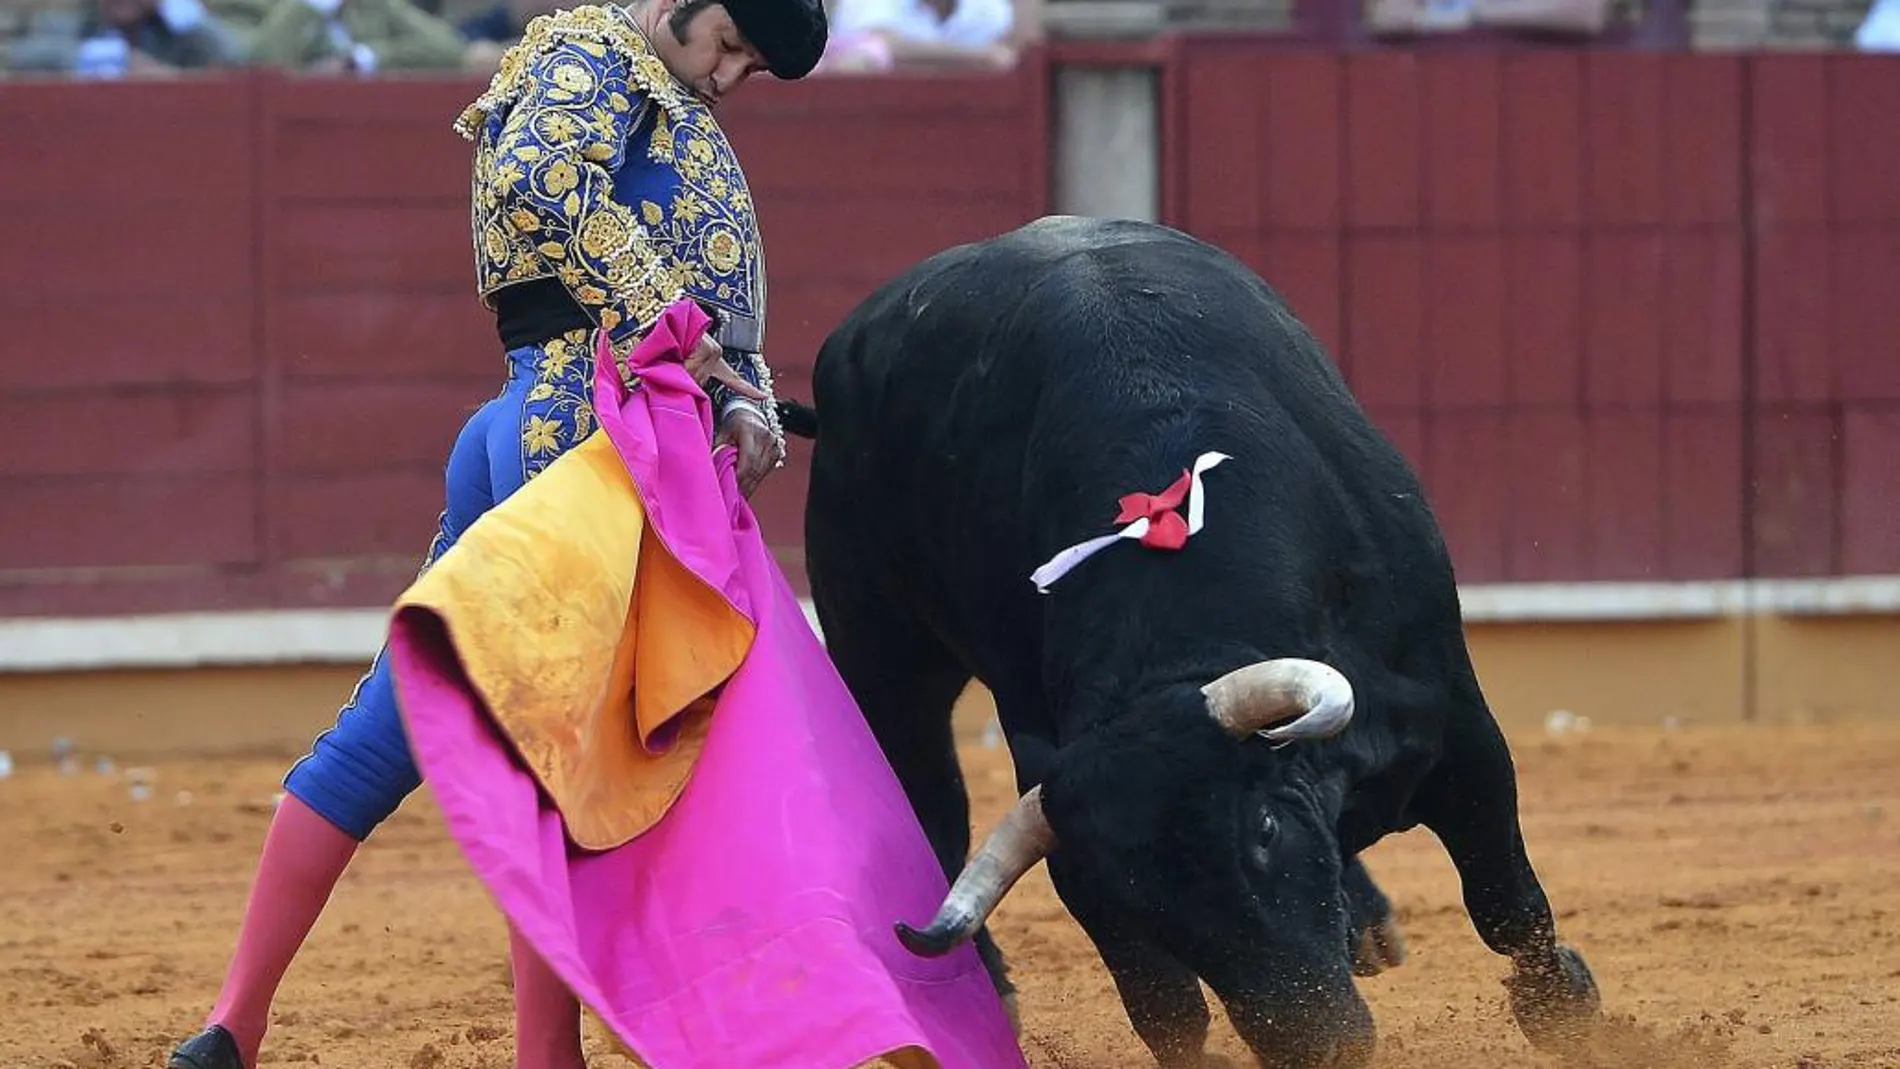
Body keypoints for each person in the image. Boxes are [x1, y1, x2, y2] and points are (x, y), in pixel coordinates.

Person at [166, 0, 827, 1064]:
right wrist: (673, 334)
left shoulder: (658, 95)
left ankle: (230, 1028)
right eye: (729, 45)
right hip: (577, 438)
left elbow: (713, 317)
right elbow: (537, 172)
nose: (731, 73)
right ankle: (540, 1054)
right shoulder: (590, 56)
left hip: (550, 432)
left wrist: (740, 394)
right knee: (564, 753)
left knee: (400, 720)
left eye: (751, 62)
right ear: (675, 5)